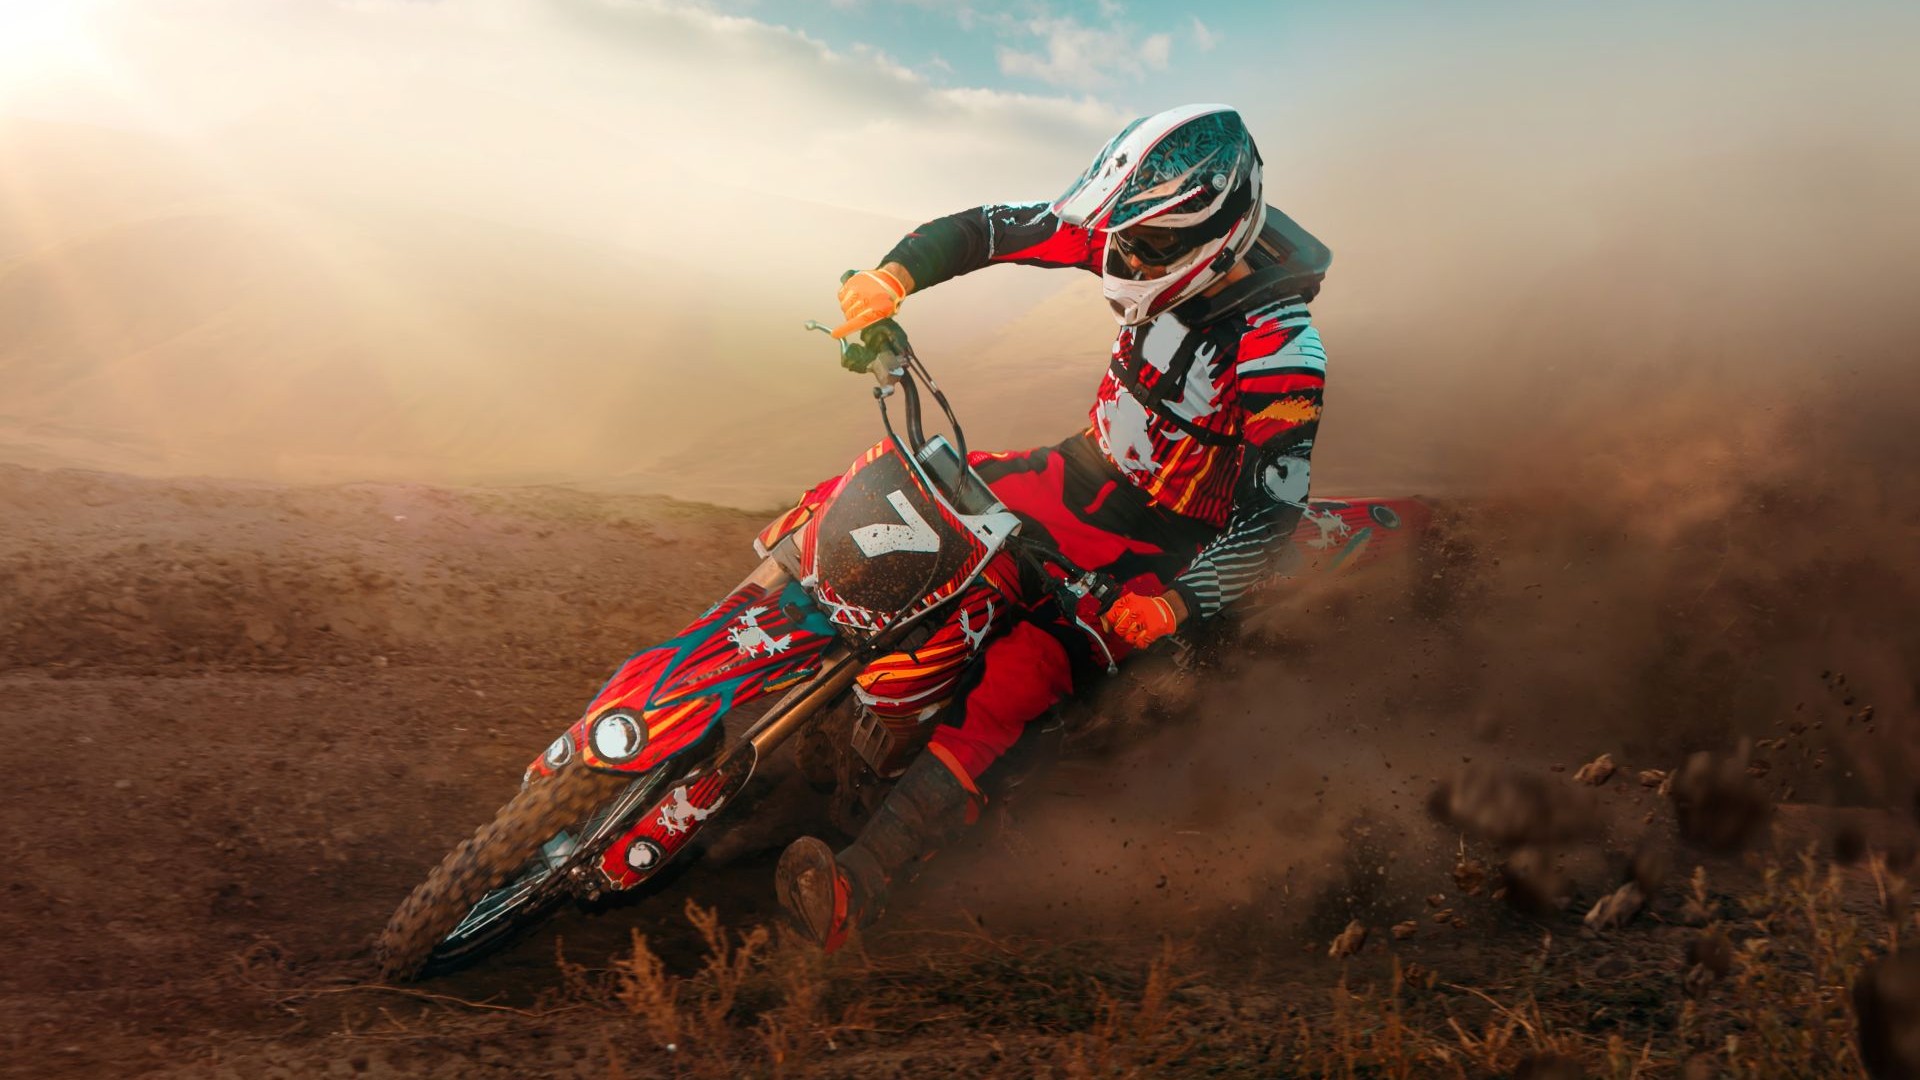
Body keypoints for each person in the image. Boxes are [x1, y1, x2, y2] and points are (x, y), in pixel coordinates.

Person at [775, 104, 1332, 951]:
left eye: (1140, 248)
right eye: (1120, 237)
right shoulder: (1131, 232)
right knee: (874, 495)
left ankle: (862, 882)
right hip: (1068, 475)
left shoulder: (1279, 349)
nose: (1118, 258)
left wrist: (1175, 607)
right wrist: (895, 278)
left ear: (1206, 240)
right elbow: (990, 230)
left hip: (1158, 550)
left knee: (1024, 676)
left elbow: (1271, 518)